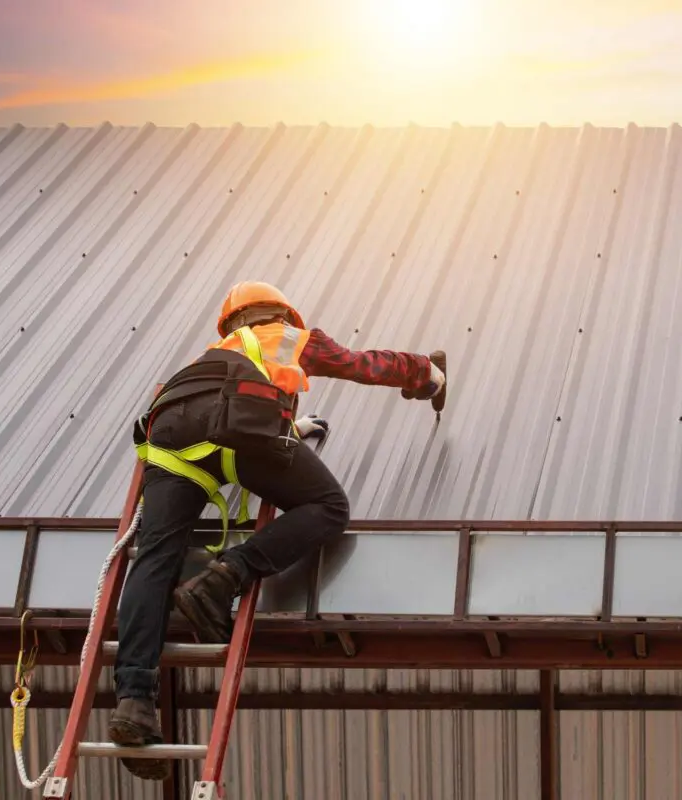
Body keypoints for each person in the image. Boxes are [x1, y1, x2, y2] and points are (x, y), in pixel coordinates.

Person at [107, 281, 446, 780]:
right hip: (237, 436)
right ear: (282, 314)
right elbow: (361, 364)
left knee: (155, 558)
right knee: (329, 506)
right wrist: (426, 373)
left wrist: (293, 426)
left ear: (229, 324)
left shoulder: (209, 355)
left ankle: (133, 702)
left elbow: (223, 402)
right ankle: (226, 576)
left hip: (172, 440)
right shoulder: (286, 337)